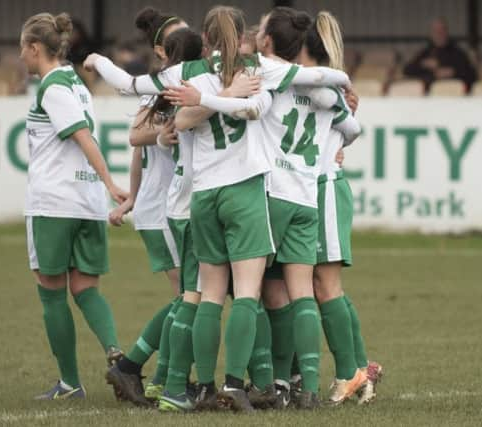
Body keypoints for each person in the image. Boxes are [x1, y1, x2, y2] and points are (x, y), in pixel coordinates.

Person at [85, 4, 350, 412]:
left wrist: (97, 58)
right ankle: (250, 384)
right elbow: (279, 97)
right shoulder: (257, 67)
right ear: (244, 35)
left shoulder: (187, 72)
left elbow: (129, 85)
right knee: (251, 292)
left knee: (203, 295)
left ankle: (196, 385)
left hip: (200, 195)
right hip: (245, 189)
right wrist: (343, 82)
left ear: (204, 38)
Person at [165, 6, 360, 409]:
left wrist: (207, 98)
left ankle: (239, 382)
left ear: (267, 42)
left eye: (263, 30)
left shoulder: (261, 75)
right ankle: (302, 386)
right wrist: (336, 141)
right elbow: (351, 123)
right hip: (306, 196)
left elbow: (246, 110)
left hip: (262, 193)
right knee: (301, 294)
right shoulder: (317, 90)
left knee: (238, 294)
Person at [19, 12, 128, 400]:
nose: (21, 58)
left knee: (51, 291)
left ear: (35, 48)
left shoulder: (52, 87)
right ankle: (118, 358)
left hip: (54, 203)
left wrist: (112, 183)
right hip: (85, 204)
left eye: (23, 50)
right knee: (86, 288)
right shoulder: (78, 84)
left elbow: (82, 137)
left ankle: (69, 384)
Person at [104, 7, 187, 407]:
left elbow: (138, 152)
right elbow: (136, 136)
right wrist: (162, 135)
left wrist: (133, 195)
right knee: (187, 297)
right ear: (162, 49)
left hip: (161, 205)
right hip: (164, 211)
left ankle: (159, 377)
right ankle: (134, 368)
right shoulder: (160, 88)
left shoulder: (185, 85)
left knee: (189, 296)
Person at [301, 11, 383, 406]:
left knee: (325, 286)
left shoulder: (322, 85)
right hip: (311, 188)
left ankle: (350, 373)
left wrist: (345, 128)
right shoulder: (321, 84)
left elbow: (348, 129)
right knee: (324, 288)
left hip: (324, 189)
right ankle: (360, 368)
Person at [403, 18, 477, 92]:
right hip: (429, 96)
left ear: (446, 32)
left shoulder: (458, 53)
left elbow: (472, 75)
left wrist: (452, 72)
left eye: (442, 30)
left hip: (453, 95)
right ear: (431, 34)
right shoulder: (425, 53)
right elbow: (407, 70)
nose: (439, 33)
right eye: (435, 31)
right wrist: (423, 64)